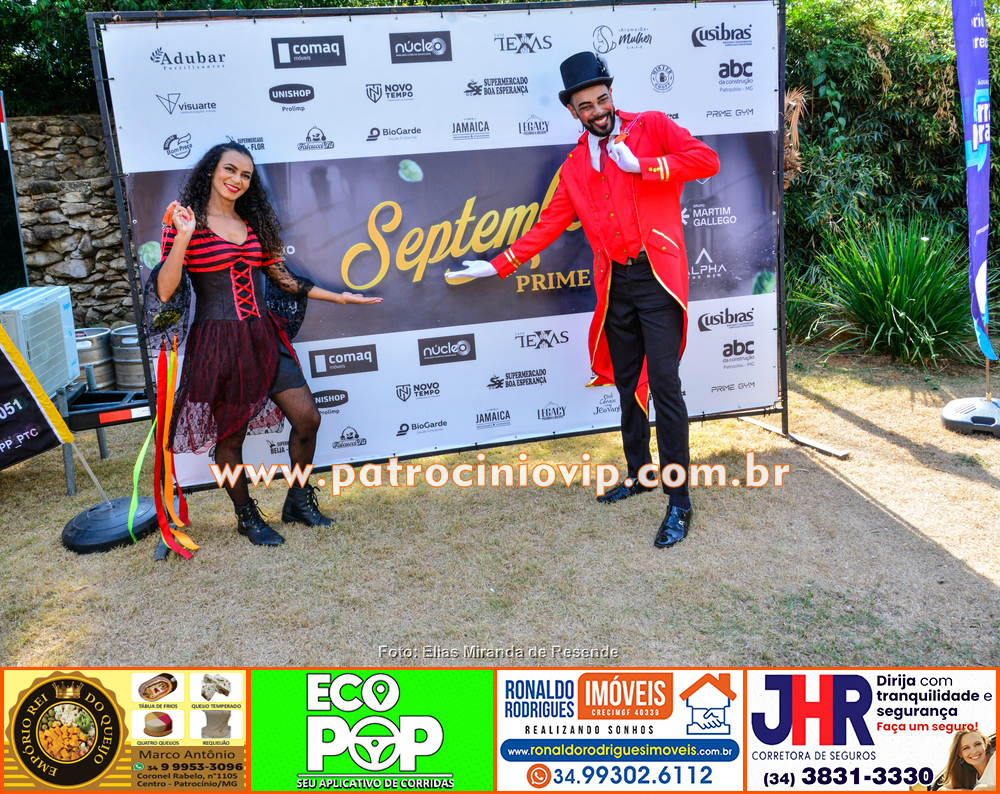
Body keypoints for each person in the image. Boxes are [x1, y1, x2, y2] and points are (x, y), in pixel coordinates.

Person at [448, 51, 719, 548]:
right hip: (615, 287)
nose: (598, 111)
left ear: (612, 95)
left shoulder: (651, 127)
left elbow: (707, 160)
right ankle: (640, 472)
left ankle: (679, 501)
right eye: (586, 106)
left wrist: (645, 166)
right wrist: (497, 264)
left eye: (602, 99)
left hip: (657, 280)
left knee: (665, 387)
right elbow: (548, 225)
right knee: (626, 384)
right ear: (572, 111)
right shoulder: (573, 167)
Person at [146, 142, 381, 547]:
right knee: (230, 438)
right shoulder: (185, 224)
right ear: (210, 171)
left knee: (307, 418)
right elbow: (166, 291)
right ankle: (246, 515)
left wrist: (340, 298)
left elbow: (283, 279)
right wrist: (183, 235)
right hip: (220, 342)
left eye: (245, 175)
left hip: (263, 336)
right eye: (230, 169)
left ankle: (298, 500)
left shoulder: (252, 225)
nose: (237, 179)